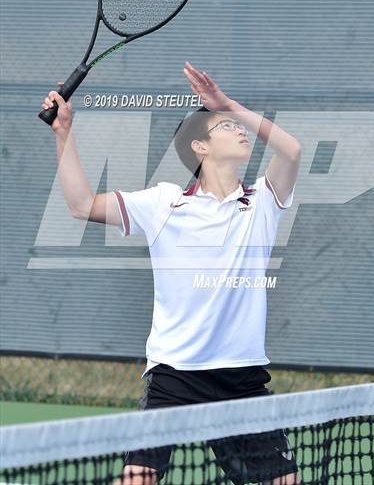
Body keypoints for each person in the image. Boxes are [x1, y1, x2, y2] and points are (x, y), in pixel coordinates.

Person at [41, 62, 302, 485]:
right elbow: (81, 205)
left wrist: (226, 105)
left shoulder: (262, 204)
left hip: (242, 377)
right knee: (138, 478)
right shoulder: (163, 203)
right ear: (201, 147)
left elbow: (291, 150)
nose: (240, 130)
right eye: (226, 126)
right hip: (174, 375)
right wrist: (63, 133)